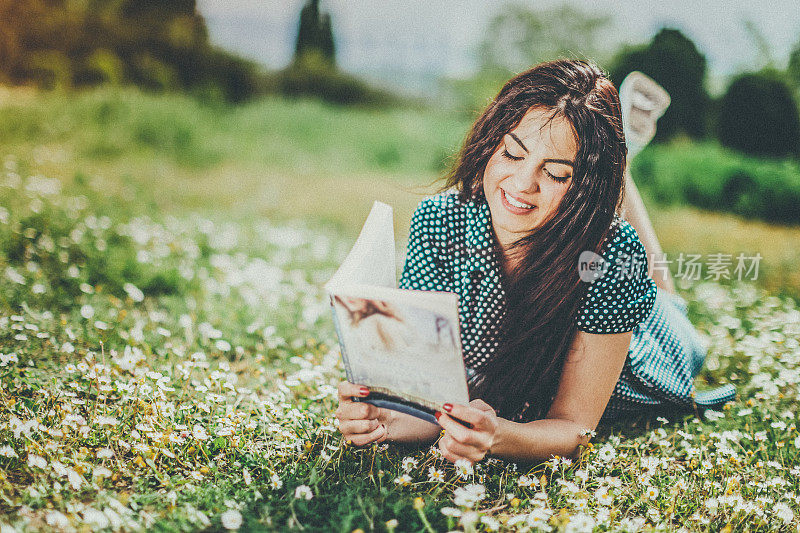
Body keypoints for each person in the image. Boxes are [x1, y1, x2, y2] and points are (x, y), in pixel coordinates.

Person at [334, 59, 735, 464]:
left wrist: (499, 436)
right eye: (511, 153)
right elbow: (435, 397)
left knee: (671, 305)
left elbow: (574, 425)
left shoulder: (613, 251)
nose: (523, 184)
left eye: (557, 173)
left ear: (583, 188)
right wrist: (389, 418)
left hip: (641, 353)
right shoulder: (438, 221)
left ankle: (619, 166)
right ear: (491, 142)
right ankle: (613, 156)